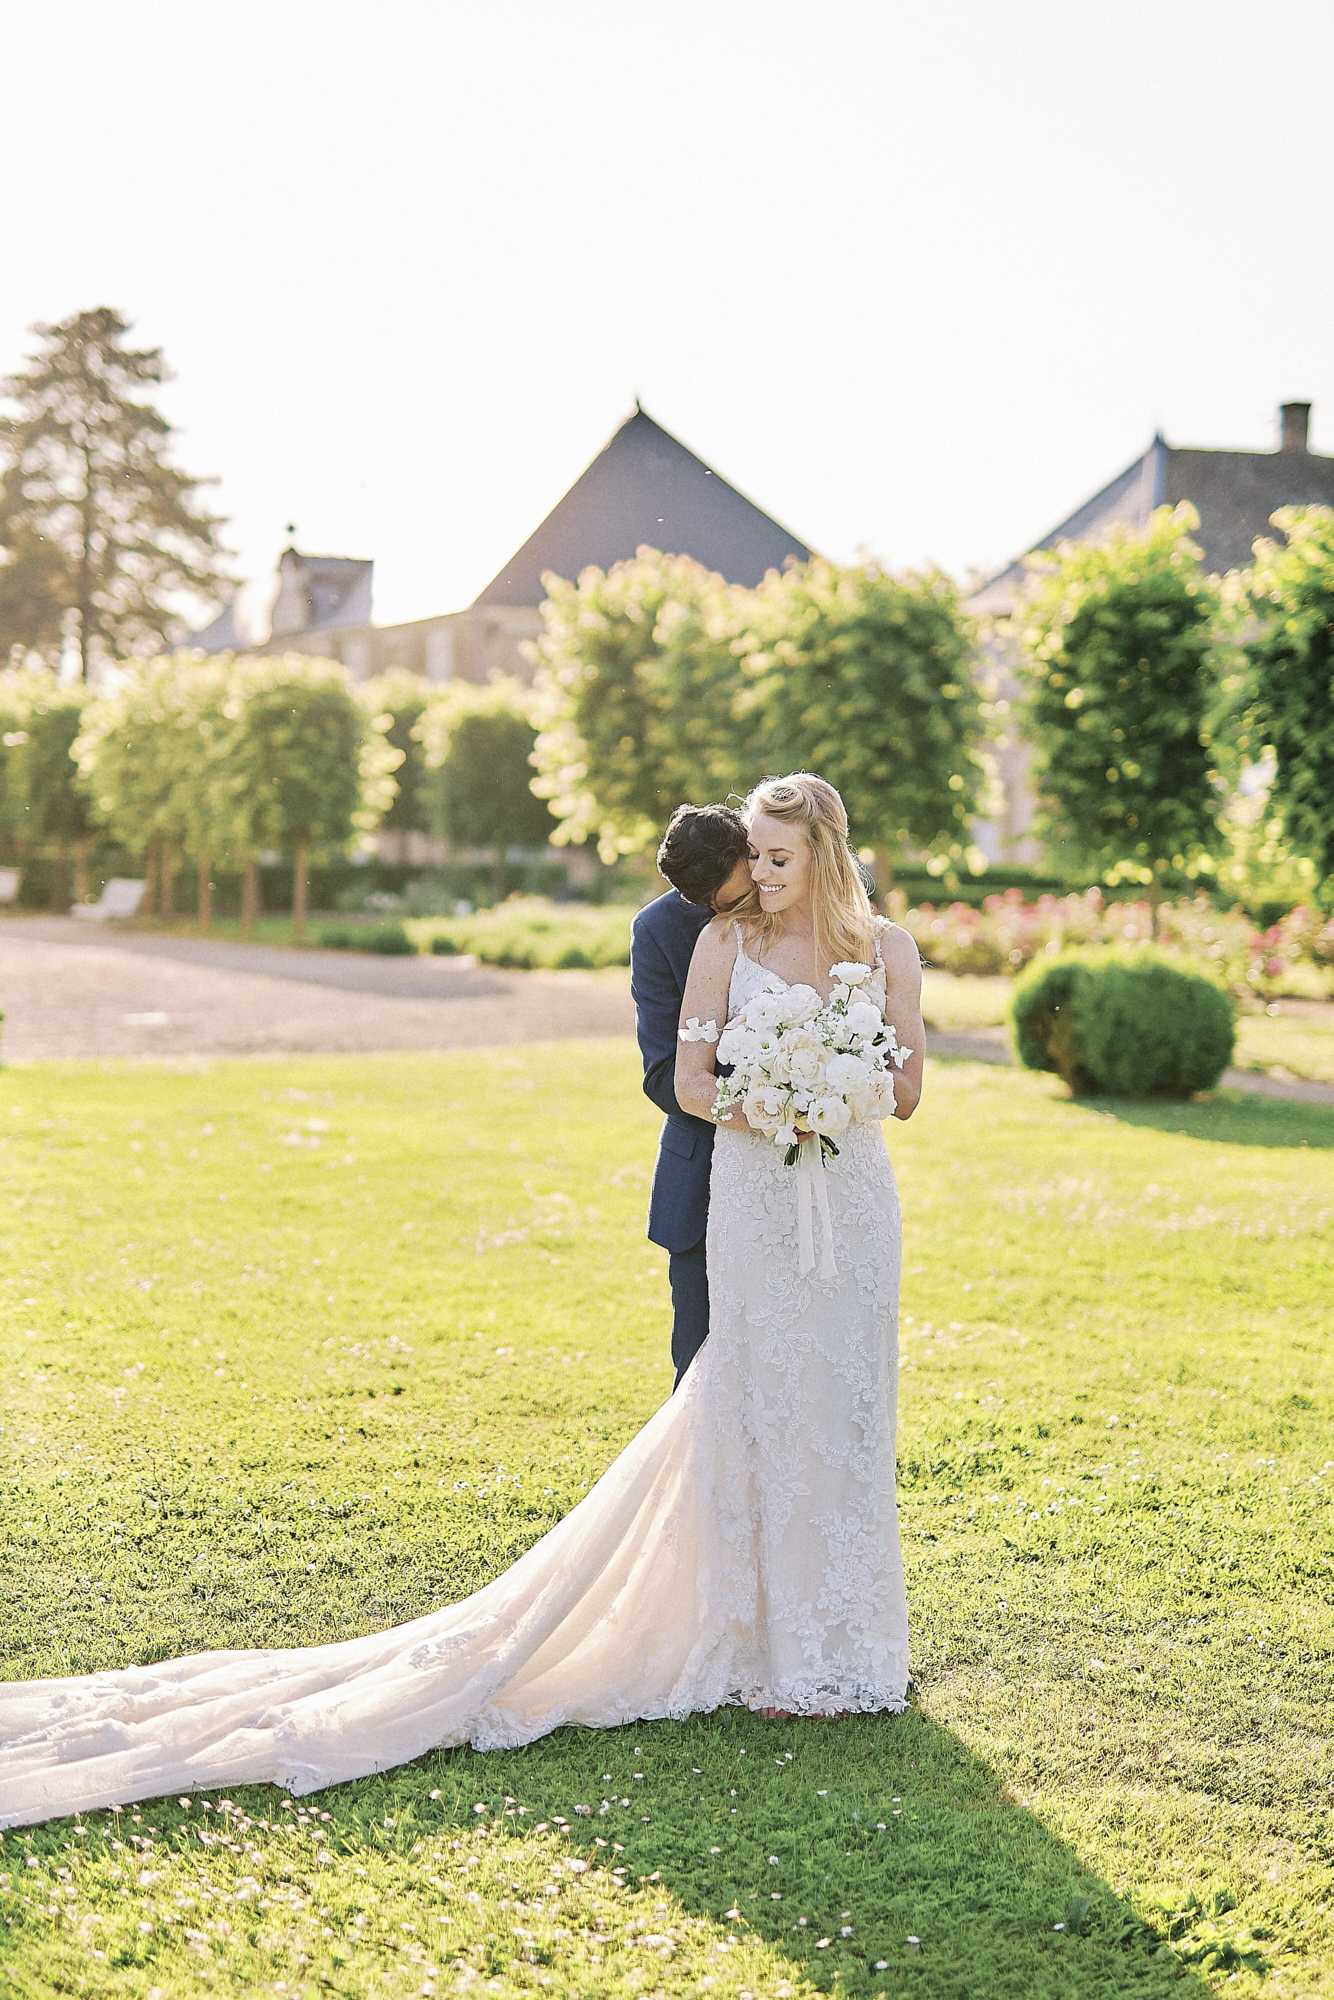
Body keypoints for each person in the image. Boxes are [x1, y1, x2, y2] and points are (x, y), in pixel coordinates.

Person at [0, 772, 926, 1830]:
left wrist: (839, 1088)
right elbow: (683, 1081)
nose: (754, 877)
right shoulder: (722, 943)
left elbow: (905, 1087)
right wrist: (775, 1097)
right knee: (746, 1403)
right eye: (750, 856)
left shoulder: (884, 947)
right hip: (754, 1198)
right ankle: (747, 1634)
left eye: (775, 857)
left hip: (851, 1211)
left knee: (845, 1410)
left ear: (824, 849)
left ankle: (850, 1645)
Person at [630, 803, 753, 1388]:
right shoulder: (656, 931)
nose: (718, 915)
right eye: (701, 904)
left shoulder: (799, 906)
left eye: (727, 901)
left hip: (798, 1177)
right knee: (698, 1368)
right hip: (700, 1173)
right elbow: (660, 1074)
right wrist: (763, 1101)